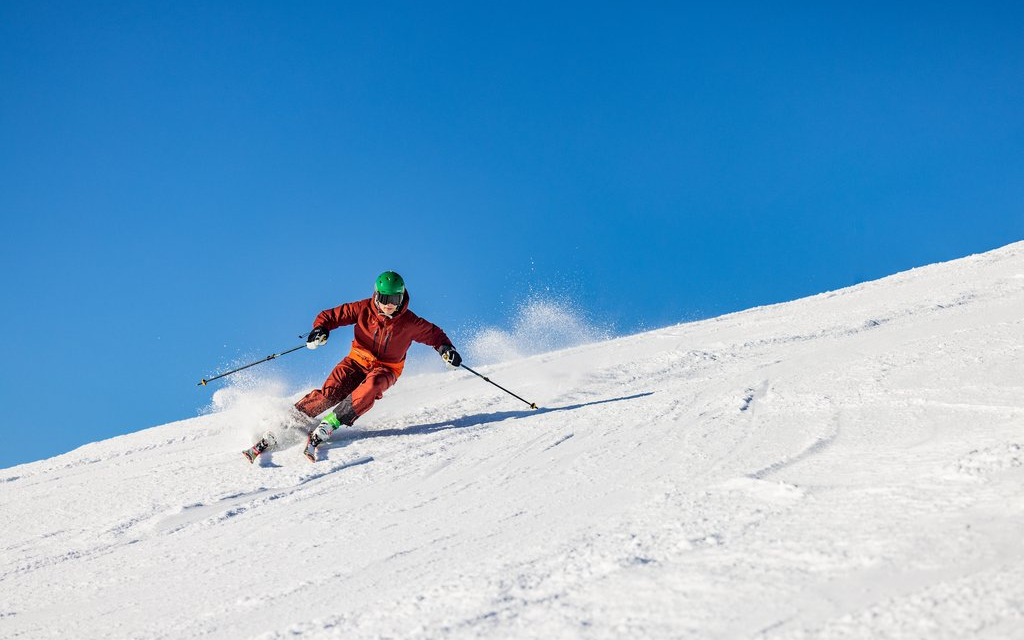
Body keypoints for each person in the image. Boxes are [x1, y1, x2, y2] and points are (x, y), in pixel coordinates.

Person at [295, 270, 462, 461]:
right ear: (376, 295)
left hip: (387, 368)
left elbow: (435, 335)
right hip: (357, 359)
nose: (389, 304)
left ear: (401, 298)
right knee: (331, 392)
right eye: (384, 297)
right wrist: (320, 329)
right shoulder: (363, 308)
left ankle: (332, 422)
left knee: (371, 387)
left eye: (394, 298)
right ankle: (293, 418)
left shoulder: (410, 322)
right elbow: (331, 316)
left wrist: (446, 349)